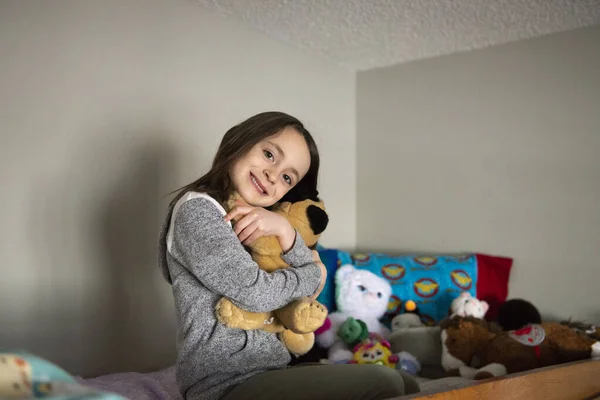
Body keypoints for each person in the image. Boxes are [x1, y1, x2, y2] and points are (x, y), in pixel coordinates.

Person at [158, 111, 420, 400]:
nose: (272, 175)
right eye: (269, 154)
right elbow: (255, 291)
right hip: (224, 383)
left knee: (407, 382)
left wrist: (288, 234)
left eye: (286, 177)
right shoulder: (197, 210)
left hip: (272, 371)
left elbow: (309, 294)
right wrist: (314, 272)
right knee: (386, 382)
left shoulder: (264, 222)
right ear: (239, 141)